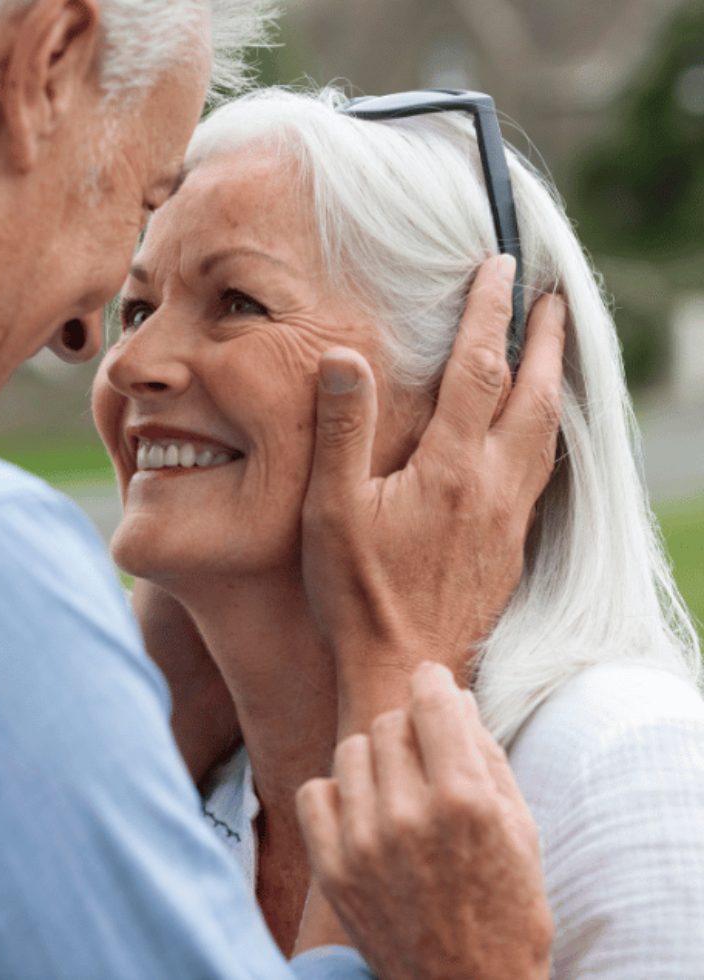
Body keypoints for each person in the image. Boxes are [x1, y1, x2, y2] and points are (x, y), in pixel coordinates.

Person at [0, 1, 563, 977]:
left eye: (233, 302)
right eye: (139, 202)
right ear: (48, 65)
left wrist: (132, 710)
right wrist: (404, 687)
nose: (87, 340)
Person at [93, 85, 704, 977]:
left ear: (475, 391)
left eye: (238, 302)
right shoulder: (178, 786)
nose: (131, 364)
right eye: (138, 309)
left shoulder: (613, 764)